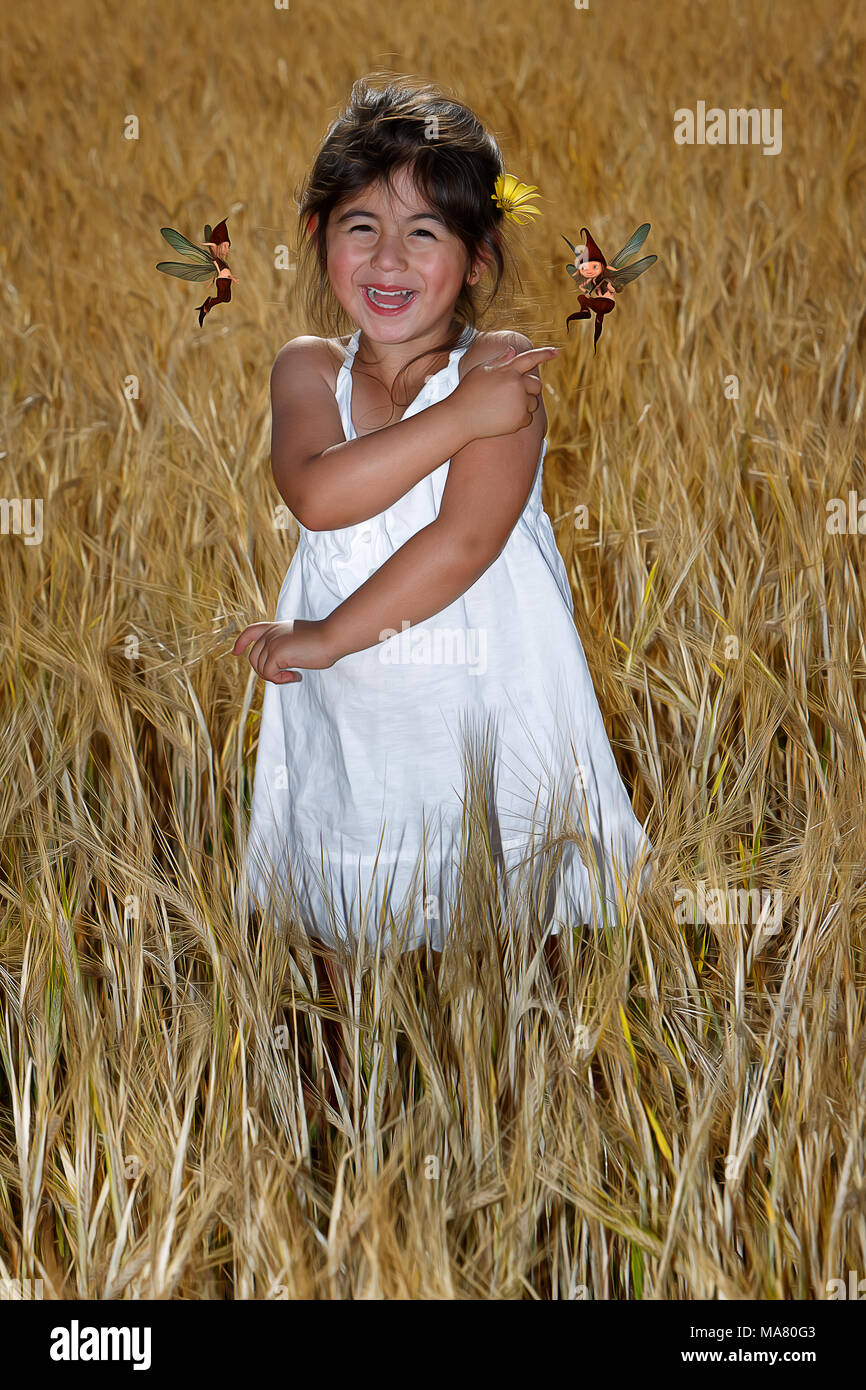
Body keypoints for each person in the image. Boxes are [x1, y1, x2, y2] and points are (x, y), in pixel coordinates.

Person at [233, 75, 653, 969]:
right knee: (350, 910)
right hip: (353, 699)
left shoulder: (502, 364)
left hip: (484, 697)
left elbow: (463, 542)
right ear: (317, 236)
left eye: (424, 233)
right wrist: (461, 417)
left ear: (476, 257)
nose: (389, 260)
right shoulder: (307, 370)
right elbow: (316, 492)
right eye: (361, 228)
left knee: (511, 920)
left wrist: (327, 636)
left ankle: (511, 1087)